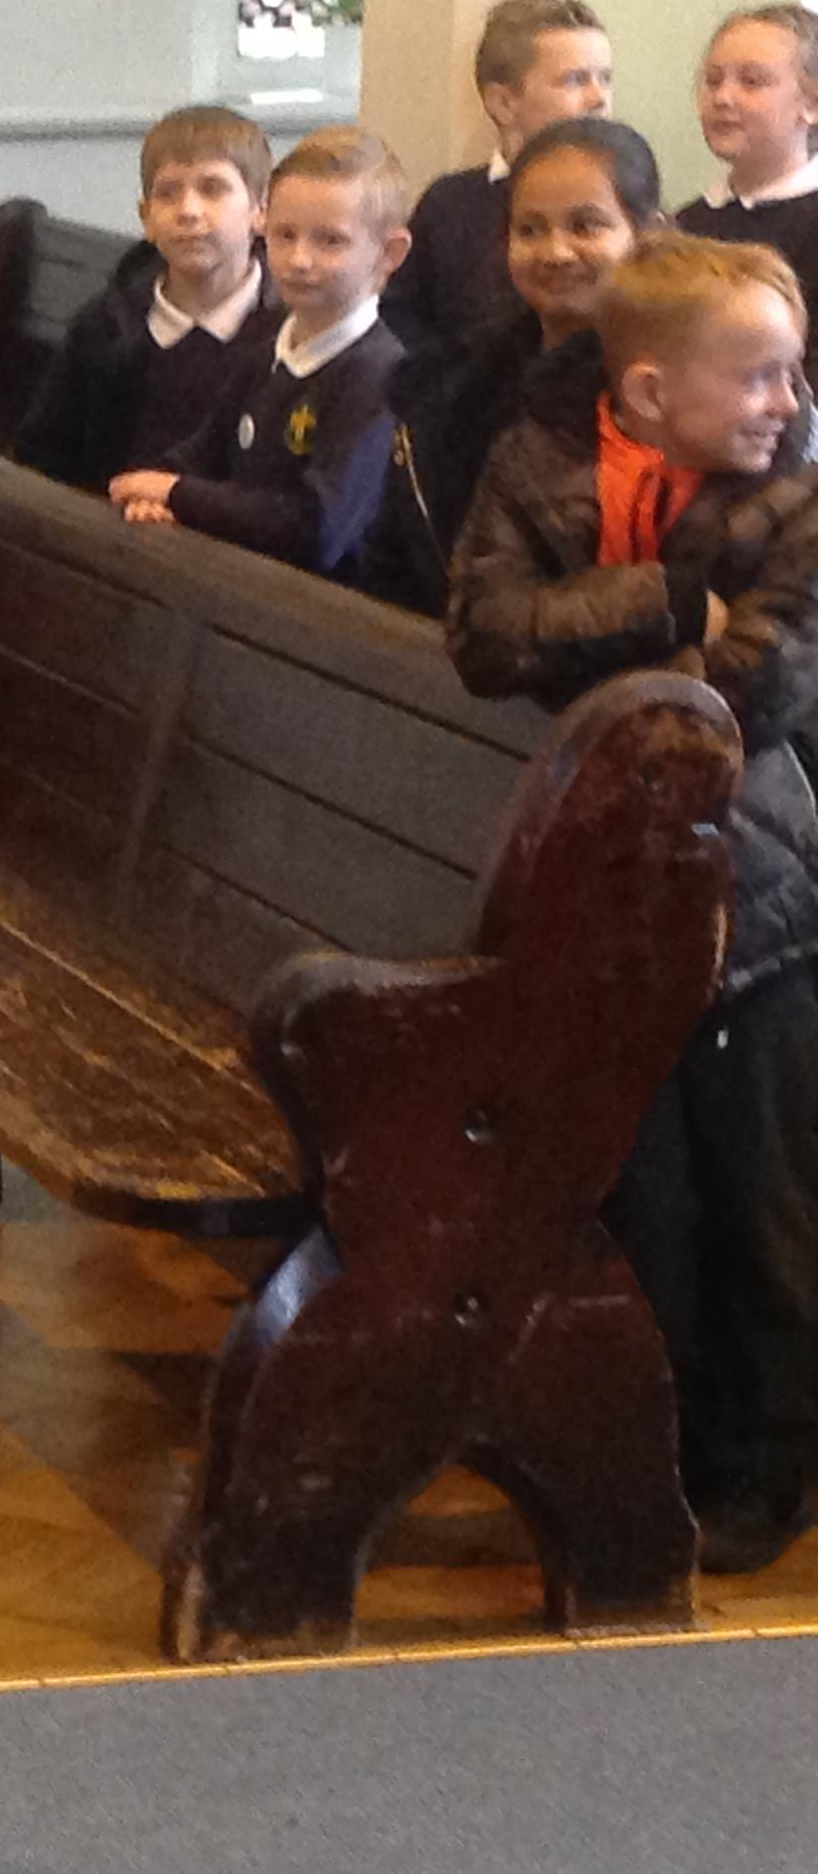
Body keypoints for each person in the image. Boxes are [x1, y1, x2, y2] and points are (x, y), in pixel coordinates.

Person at [446, 230, 818, 1575]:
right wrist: (674, 597)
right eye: (758, 376)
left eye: (794, 374)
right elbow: (487, 634)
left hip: (759, 891)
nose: (787, 401)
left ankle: (768, 1465)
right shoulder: (538, 460)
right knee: (642, 1191)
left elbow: (758, 690)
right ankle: (651, 1450)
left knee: (764, 1202)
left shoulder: (802, 495)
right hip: (592, 887)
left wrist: (609, 634)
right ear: (650, 391)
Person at [368, 117, 661, 617]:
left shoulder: (672, 400)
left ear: (647, 233)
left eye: (586, 225)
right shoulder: (456, 389)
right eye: (530, 229)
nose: (555, 251)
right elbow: (398, 559)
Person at [109, 126, 409, 584]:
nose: (299, 260)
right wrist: (154, 494)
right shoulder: (268, 344)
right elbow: (201, 454)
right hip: (244, 583)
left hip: (327, 608)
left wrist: (177, 495)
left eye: (330, 241)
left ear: (389, 253)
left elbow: (315, 528)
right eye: (285, 235)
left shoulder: (378, 375)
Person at [12, 104, 282, 492]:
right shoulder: (105, 325)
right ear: (147, 218)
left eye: (212, 189)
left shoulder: (289, 336)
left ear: (261, 212)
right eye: (168, 193)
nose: (188, 211)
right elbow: (43, 456)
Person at [383, 0, 613, 352]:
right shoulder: (449, 206)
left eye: (605, 78)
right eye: (574, 80)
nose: (599, 98)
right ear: (503, 103)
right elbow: (401, 324)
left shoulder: (620, 198)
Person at [677, 5, 818, 321]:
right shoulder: (684, 226)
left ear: (811, 104)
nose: (722, 97)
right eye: (713, 81)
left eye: (752, 81)